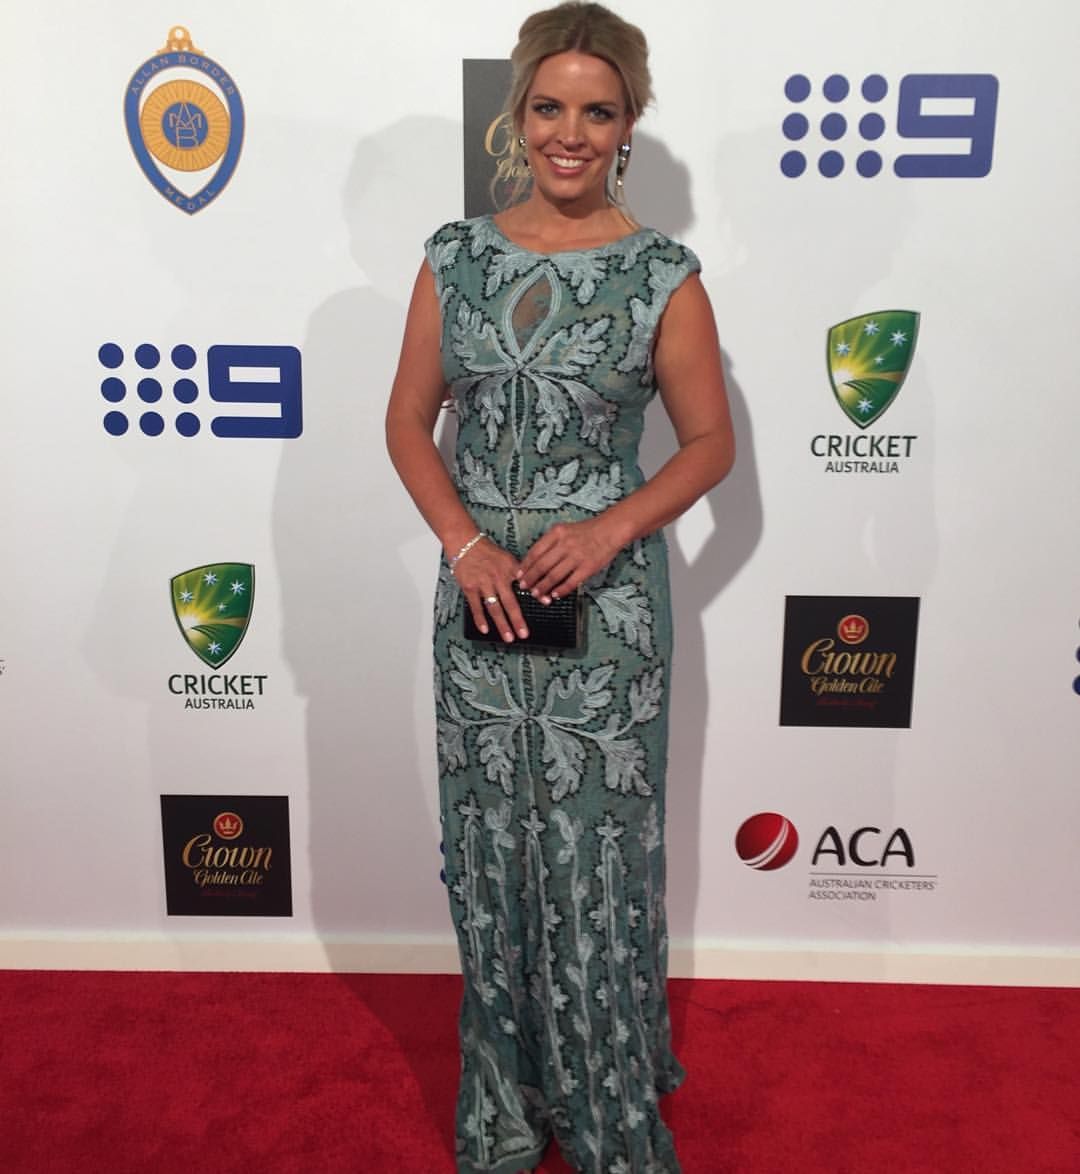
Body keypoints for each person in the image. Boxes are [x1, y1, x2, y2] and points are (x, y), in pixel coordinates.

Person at [386, 4, 734, 1170]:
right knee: (491, 847)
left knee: (595, 854)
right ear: (518, 114)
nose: (569, 133)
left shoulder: (662, 275)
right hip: (481, 602)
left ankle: (601, 1098)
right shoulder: (455, 258)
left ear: (629, 125)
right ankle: (507, 1091)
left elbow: (708, 445)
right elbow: (407, 421)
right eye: (549, 107)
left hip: (607, 616)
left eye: (597, 111)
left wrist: (608, 529)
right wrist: (462, 543)